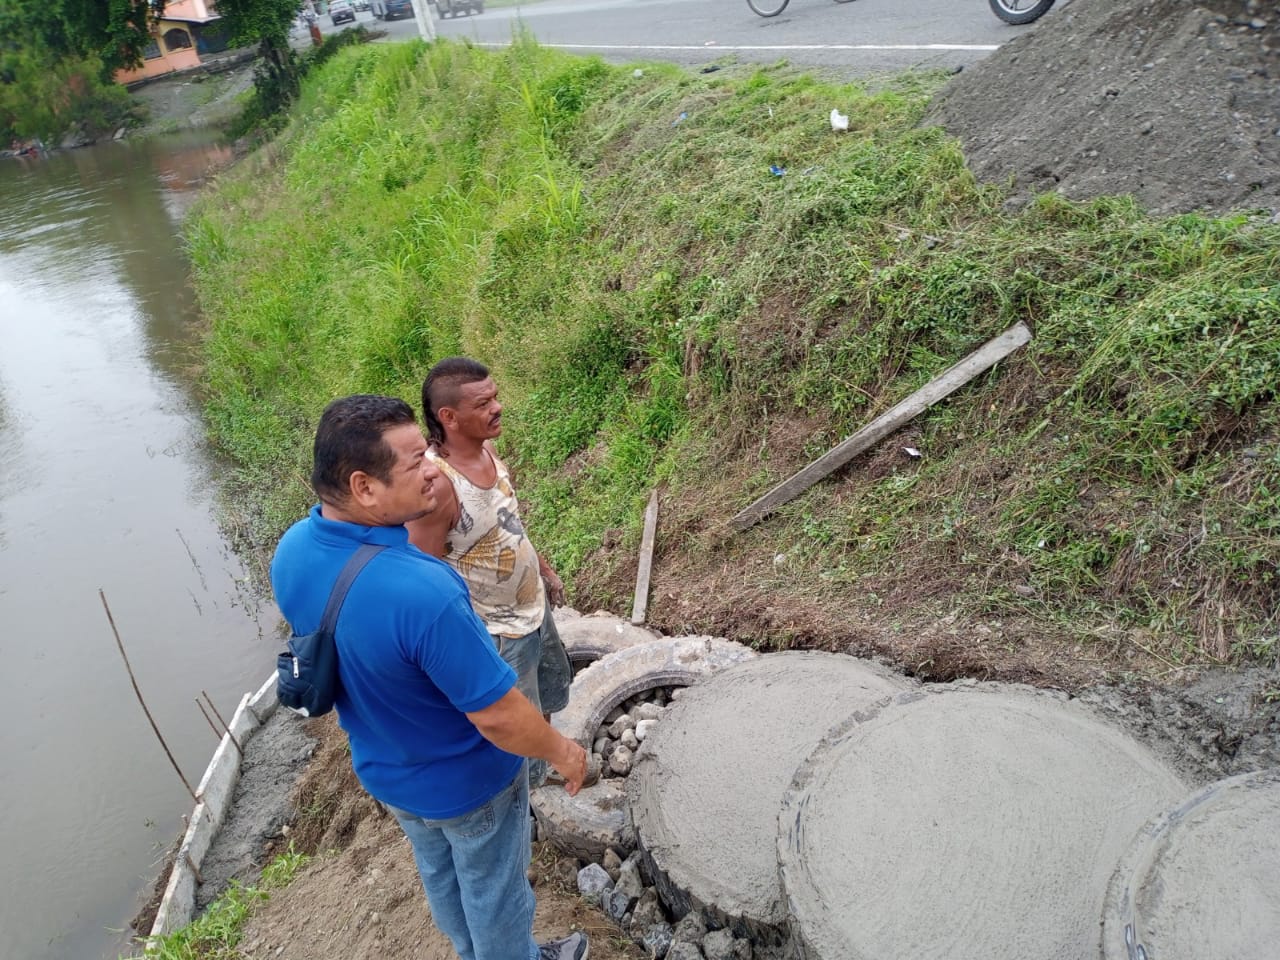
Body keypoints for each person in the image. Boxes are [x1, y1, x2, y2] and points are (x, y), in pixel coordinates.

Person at [270, 394, 590, 960]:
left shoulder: (293, 549)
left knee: (441, 875)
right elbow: (498, 716)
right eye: (417, 460)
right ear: (364, 487)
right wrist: (563, 752)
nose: (433, 470)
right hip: (470, 784)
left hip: (389, 774)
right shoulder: (424, 591)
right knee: (496, 896)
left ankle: (469, 952)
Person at [406, 357, 574, 789]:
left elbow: (509, 524)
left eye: (495, 397)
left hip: (532, 608)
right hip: (497, 632)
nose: (497, 407)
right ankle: (528, 795)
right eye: (483, 403)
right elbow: (422, 576)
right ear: (449, 417)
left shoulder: (488, 452)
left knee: (545, 695)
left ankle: (546, 768)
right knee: (516, 723)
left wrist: (544, 570)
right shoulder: (438, 485)